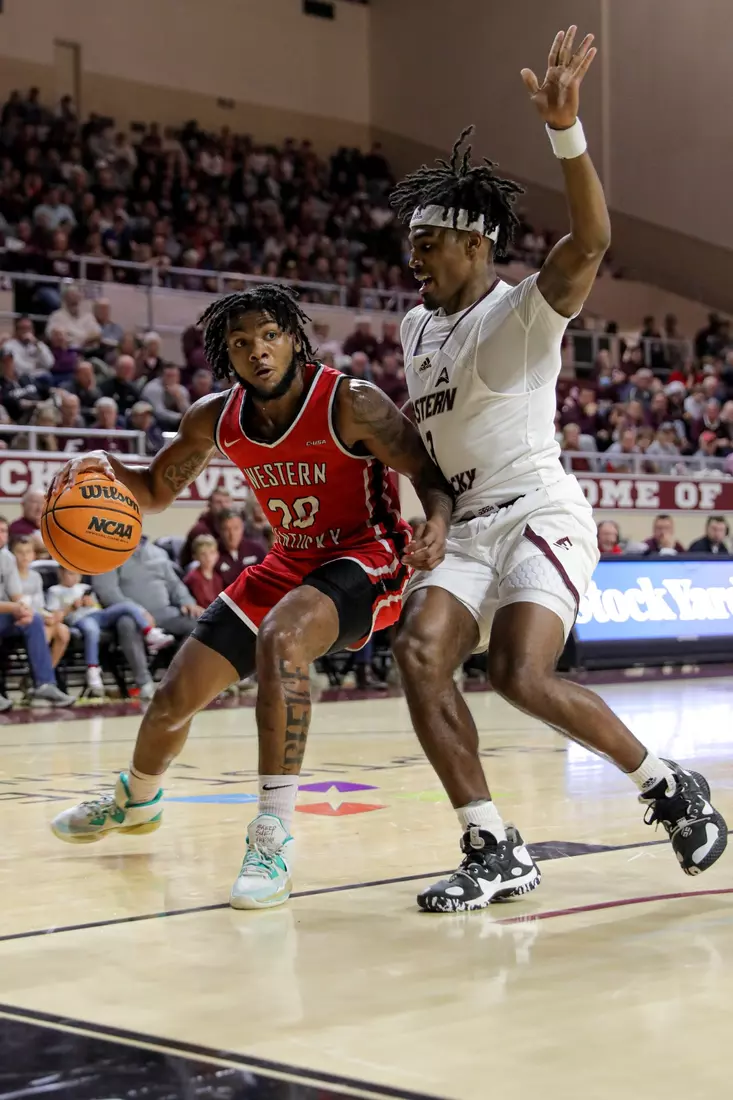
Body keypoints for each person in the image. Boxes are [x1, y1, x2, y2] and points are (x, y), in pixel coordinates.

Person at [389, 25, 727, 913]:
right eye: (411, 242)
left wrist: (564, 134)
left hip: (539, 508)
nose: (412, 255)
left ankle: (665, 785)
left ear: (475, 244)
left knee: (518, 675)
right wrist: (425, 516)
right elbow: (428, 451)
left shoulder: (524, 313)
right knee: (418, 654)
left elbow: (589, 239)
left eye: (428, 241)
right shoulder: (413, 329)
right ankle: (492, 843)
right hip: (463, 522)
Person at [49, 283, 451, 910]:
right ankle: (138, 799)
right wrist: (105, 464)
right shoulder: (216, 417)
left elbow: (427, 472)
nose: (257, 351)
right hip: (287, 563)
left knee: (282, 639)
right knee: (172, 701)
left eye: (269, 336)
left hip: (367, 556)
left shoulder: (352, 403)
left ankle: (271, 834)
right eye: (241, 343)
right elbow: (155, 490)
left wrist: (438, 523)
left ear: (293, 338)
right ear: (226, 354)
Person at [47, 566, 174, 696]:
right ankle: (92, 669)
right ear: (61, 573)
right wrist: (72, 607)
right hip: (79, 620)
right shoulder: (55, 591)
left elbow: (98, 606)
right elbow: (54, 616)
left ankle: (149, 633)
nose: (74, 577)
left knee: (127, 606)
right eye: (70, 574)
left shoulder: (85, 588)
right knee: (91, 630)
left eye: (77, 574)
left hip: (98, 615)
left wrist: (91, 604)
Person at [0, 545, 74, 707]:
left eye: (4, 531)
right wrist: (15, 608)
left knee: (34, 620)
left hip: (5, 613)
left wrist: (25, 611)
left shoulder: (6, 558)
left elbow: (16, 595)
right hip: (5, 610)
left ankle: (44, 685)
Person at [11, 535, 70, 669]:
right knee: (45, 630)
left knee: (63, 631)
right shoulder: (10, 576)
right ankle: (39, 678)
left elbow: (39, 605)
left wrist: (49, 616)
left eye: (28, 552)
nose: (24, 556)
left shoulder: (36, 577)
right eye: (20, 552)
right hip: (19, 619)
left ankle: (46, 672)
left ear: (33, 555)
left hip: (38, 616)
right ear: (13, 555)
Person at [183, 534, 225, 609]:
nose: (208, 558)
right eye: (203, 554)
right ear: (195, 557)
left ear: (217, 555)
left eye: (211, 553)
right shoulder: (194, 578)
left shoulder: (217, 577)